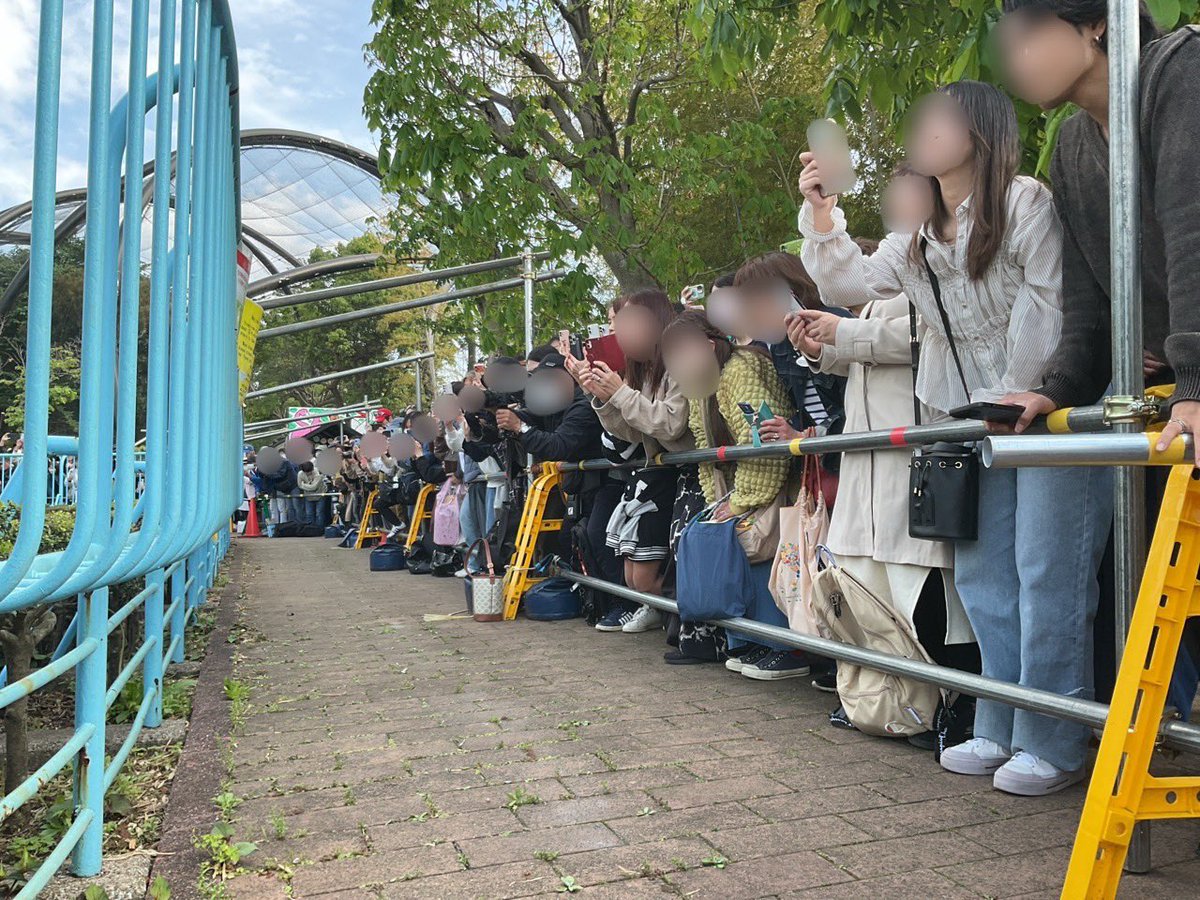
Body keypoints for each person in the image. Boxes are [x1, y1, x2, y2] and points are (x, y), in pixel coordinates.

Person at [797, 79, 1112, 795]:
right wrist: (822, 210)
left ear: (982, 130)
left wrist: (1020, 391)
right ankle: (998, 723)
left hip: (1049, 414)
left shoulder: (1025, 201)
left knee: (1048, 574)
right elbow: (850, 284)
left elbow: (1050, 306)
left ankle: (1055, 739)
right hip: (967, 424)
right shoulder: (917, 230)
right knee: (984, 580)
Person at [793, 238, 978, 730]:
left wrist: (845, 333)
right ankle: (894, 705)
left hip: (916, 464)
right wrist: (820, 350)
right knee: (869, 602)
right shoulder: (875, 295)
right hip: (867, 470)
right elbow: (864, 358)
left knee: (926, 598)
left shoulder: (935, 267)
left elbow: (930, 337)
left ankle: (952, 707)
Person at [994, 2, 1192, 434]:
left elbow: (1192, 238)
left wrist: (1194, 384)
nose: (1019, 59)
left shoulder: (1182, 69)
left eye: (1030, 32)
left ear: (1097, 22)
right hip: (1175, 396)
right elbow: (1090, 303)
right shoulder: (1071, 148)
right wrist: (1059, 388)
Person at [662, 309, 802, 676]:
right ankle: (752, 641)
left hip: (775, 483)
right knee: (741, 553)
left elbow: (763, 442)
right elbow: (705, 451)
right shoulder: (700, 386)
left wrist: (741, 502)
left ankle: (783, 646)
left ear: (709, 345)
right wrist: (719, 502)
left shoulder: (740, 371)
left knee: (765, 552)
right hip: (738, 486)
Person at [577, 289, 695, 634]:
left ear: (657, 322)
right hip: (662, 472)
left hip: (692, 473)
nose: (619, 332)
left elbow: (671, 425)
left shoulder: (679, 359)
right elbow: (633, 432)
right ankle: (667, 616)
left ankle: (691, 624)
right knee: (633, 572)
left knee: (658, 568)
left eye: (629, 322)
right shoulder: (642, 369)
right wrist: (602, 397)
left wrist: (619, 393)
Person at [297, 460, 326, 527]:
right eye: (306, 472)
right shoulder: (300, 474)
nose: (307, 474)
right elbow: (299, 485)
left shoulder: (317, 472)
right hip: (308, 496)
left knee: (319, 513)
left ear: (312, 469)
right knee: (309, 514)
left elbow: (314, 487)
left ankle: (319, 529)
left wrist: (304, 484)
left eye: (309, 472)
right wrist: (309, 485)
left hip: (320, 494)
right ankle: (310, 528)